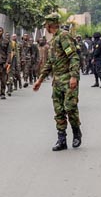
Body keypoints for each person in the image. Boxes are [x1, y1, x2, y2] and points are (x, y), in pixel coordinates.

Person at [33, 13, 82, 151]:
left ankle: (77, 133)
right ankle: (62, 140)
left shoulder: (64, 36)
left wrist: (73, 77)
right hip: (57, 81)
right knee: (59, 111)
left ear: (50, 24)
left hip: (68, 79)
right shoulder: (54, 40)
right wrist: (40, 79)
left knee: (70, 108)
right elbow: (50, 62)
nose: (46, 27)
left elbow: (73, 57)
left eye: (46, 25)